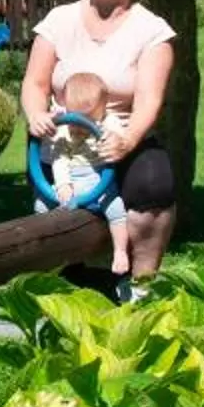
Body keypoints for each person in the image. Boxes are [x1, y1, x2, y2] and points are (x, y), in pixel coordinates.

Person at [21, 0, 179, 292]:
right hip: (63, 143)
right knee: (53, 207)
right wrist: (36, 113)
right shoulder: (59, 20)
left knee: (155, 186)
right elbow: (35, 83)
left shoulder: (152, 30)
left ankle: (141, 288)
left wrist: (128, 140)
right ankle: (63, 286)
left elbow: (149, 101)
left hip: (119, 141)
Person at [40, 71, 134, 276]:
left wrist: (115, 139)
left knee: (116, 208)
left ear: (104, 107)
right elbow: (59, 158)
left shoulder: (109, 123)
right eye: (76, 120)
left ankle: (120, 251)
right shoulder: (63, 127)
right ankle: (49, 256)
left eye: (89, 120)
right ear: (66, 107)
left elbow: (120, 138)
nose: (81, 128)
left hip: (99, 179)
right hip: (71, 179)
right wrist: (64, 184)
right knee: (41, 206)